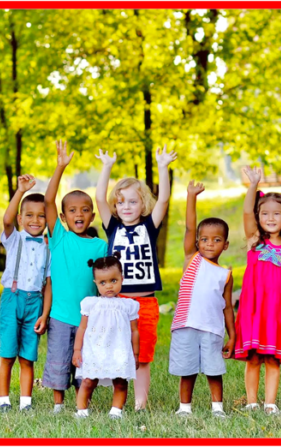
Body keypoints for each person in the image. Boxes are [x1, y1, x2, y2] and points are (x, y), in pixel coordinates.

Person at [94, 145, 176, 411]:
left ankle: (141, 403)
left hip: (146, 304)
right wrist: (106, 167)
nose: (126, 206)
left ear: (143, 204)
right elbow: (99, 199)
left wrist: (162, 166)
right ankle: (118, 400)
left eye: (133, 201)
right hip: (118, 303)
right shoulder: (112, 227)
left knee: (142, 357)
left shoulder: (149, 226)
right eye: (120, 202)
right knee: (119, 351)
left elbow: (163, 199)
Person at [234, 166, 281, 415]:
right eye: (264, 213)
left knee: (273, 358)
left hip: (277, 309)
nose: (270, 218)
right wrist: (253, 184)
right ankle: (252, 402)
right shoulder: (254, 238)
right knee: (254, 357)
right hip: (255, 307)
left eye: (277, 213)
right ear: (258, 217)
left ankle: (270, 404)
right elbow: (246, 210)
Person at [42, 140, 108, 413]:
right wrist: (60, 167)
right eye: (72, 210)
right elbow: (47, 199)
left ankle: (83, 405)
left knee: (85, 363)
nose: (79, 214)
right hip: (60, 315)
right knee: (58, 360)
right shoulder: (58, 238)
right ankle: (58, 405)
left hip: (89, 317)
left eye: (84, 210)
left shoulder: (101, 246)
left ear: (92, 215)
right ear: (63, 217)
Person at [169, 181, 235, 418]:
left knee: (213, 370)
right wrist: (191, 196)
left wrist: (232, 334)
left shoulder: (225, 274)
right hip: (185, 325)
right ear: (197, 242)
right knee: (187, 370)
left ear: (225, 245)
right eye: (204, 239)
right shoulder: (191, 258)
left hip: (212, 329)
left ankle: (218, 408)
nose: (210, 243)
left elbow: (227, 307)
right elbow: (189, 227)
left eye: (217, 240)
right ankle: (184, 408)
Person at [0, 174, 52, 412]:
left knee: (28, 356)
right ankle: (4, 401)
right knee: (8, 354)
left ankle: (26, 403)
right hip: (12, 298)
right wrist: (20, 191)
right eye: (29, 215)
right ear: (21, 218)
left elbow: (48, 283)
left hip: (35, 303)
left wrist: (45, 314)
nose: (35, 220)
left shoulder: (49, 248)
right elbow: (6, 219)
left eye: (41, 216)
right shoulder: (14, 239)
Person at [72, 253, 140, 420]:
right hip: (94, 349)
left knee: (121, 381)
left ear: (122, 278)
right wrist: (77, 350)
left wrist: (136, 354)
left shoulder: (128, 305)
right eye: (103, 282)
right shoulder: (90, 303)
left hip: (119, 350)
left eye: (113, 281)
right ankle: (81, 411)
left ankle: (116, 412)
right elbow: (82, 328)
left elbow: (134, 331)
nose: (109, 286)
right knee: (88, 381)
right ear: (96, 283)